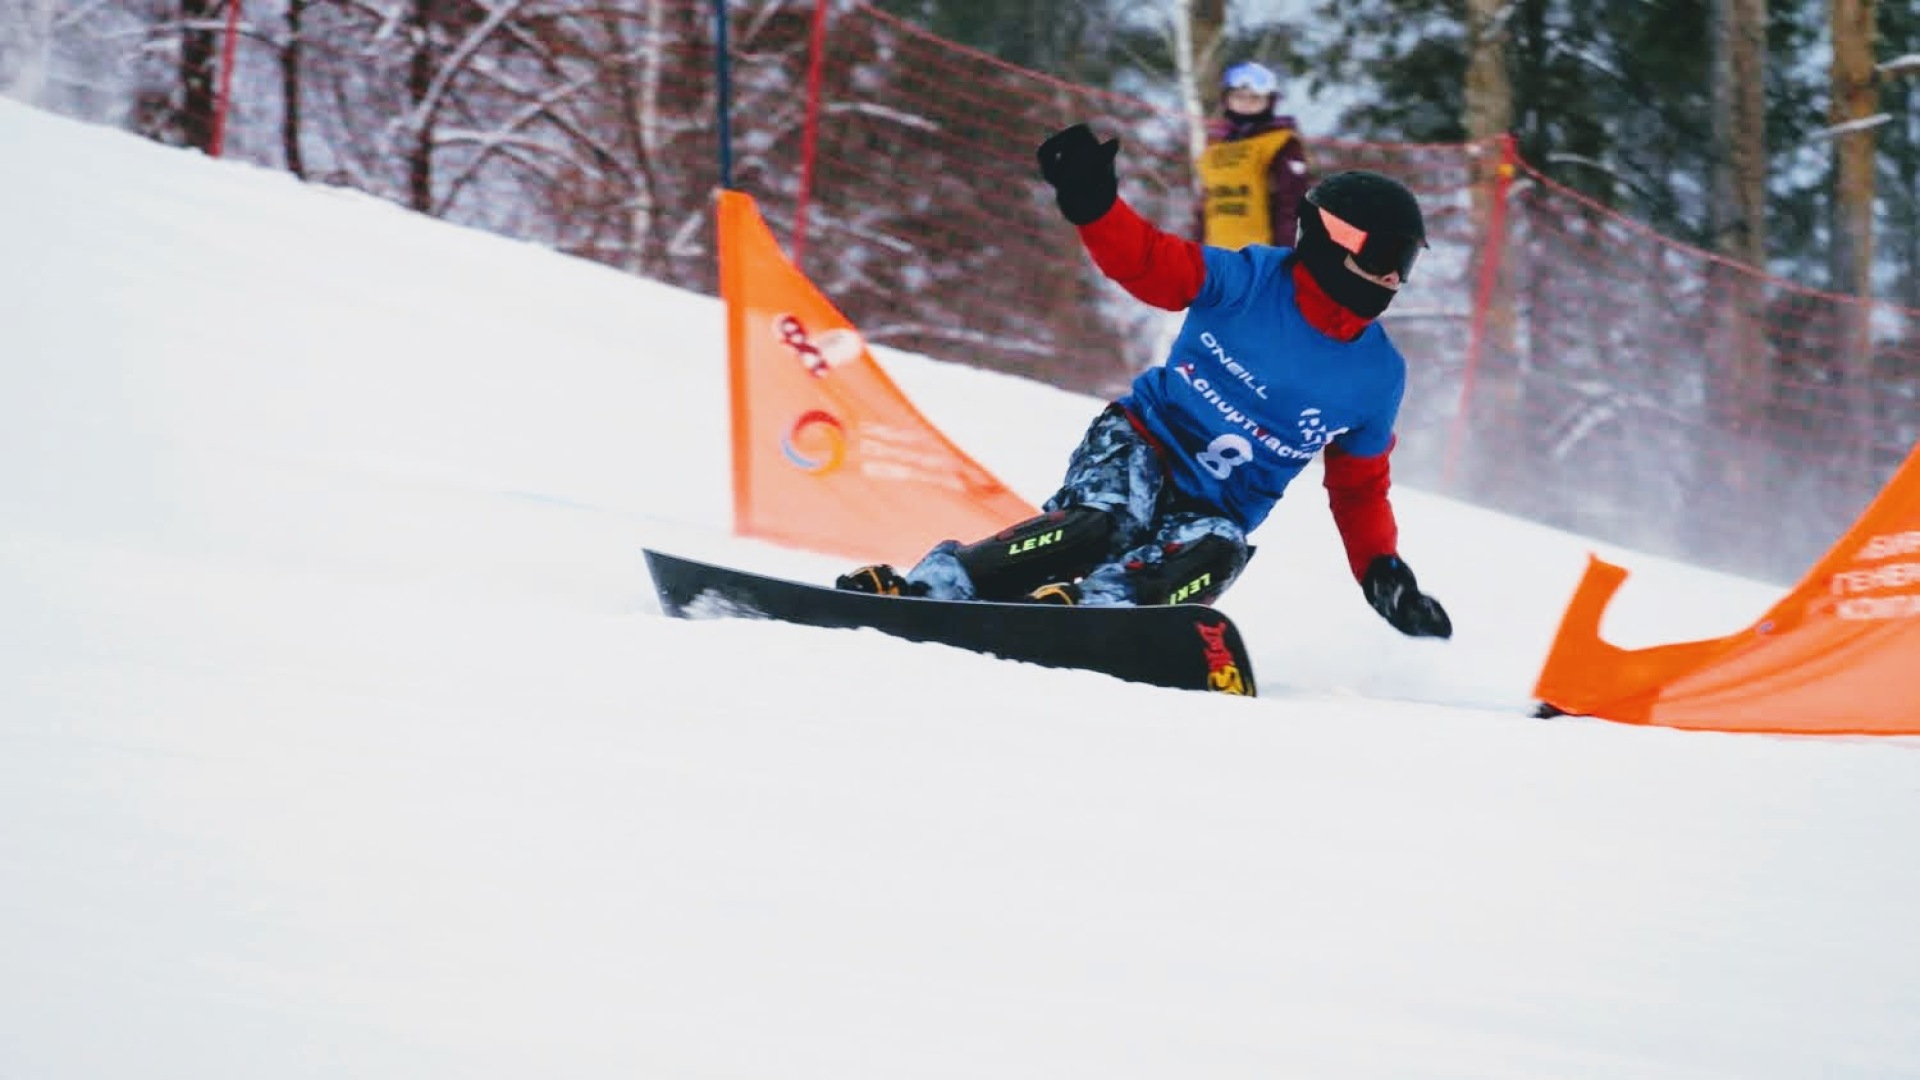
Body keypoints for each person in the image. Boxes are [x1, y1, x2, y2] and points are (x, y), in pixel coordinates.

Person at [835, 122, 1452, 640]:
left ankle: (1098, 612)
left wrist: (1382, 571)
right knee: (1103, 524)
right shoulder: (1250, 280)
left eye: (1403, 266)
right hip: (1140, 444)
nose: (1392, 281)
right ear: (1328, 238)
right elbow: (1149, 263)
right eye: (1382, 259)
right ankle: (941, 586)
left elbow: (1358, 488)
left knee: (1218, 550)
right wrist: (1094, 205)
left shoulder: (1377, 376)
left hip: (1215, 509)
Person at [1195, 61, 1313, 249]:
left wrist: (1286, 253)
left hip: (1261, 254)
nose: (1246, 103)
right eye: (1239, 96)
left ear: (1269, 101)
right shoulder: (1213, 148)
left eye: (1255, 98)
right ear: (1227, 99)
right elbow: (1204, 209)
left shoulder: (1281, 143)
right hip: (1216, 253)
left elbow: (1292, 204)